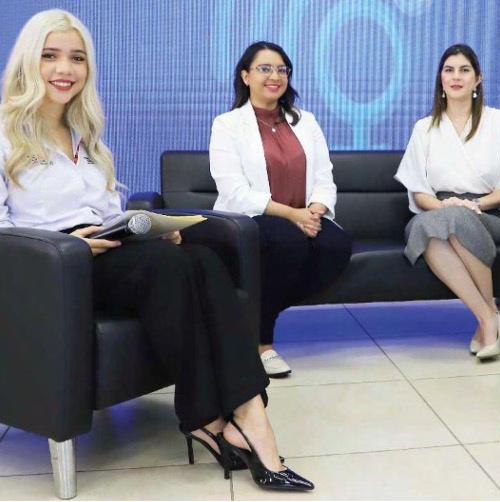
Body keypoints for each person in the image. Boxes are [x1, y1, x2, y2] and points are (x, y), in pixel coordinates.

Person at [0, 10, 312, 491]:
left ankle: (244, 414)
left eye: (77, 58)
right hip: (53, 269)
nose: (65, 69)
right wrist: (68, 244)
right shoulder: (6, 134)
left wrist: (146, 230)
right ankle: (224, 421)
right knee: (168, 266)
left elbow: (107, 210)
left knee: (203, 256)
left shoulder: (86, 136)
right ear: (28, 61)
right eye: (50, 56)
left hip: (107, 251)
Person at [209, 41, 352, 377]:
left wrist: (315, 209)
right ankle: (262, 344)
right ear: (245, 76)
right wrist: (291, 215)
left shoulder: (306, 121)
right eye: (265, 69)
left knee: (337, 245)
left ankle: (252, 313)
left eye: (281, 70)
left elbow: (324, 177)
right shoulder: (227, 125)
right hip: (251, 219)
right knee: (288, 241)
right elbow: (234, 191)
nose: (275, 76)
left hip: (303, 217)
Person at [394, 44, 500, 360]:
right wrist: (445, 208)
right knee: (435, 227)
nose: (456, 77)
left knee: (455, 220)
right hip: (435, 210)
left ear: (477, 79)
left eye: (464, 70)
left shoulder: (499, 122)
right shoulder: (424, 128)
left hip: (488, 212)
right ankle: (489, 318)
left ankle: (488, 322)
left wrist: (476, 206)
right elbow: (419, 193)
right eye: (449, 70)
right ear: (440, 79)